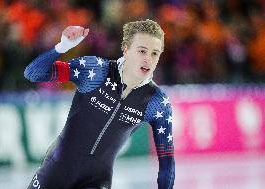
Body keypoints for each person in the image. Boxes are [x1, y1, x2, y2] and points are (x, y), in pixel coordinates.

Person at [24, 19, 175, 189]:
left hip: (96, 182)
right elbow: (33, 74)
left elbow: (167, 162)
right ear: (125, 50)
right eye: (142, 51)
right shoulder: (95, 71)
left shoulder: (156, 102)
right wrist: (62, 47)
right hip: (56, 171)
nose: (148, 59)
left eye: (155, 53)